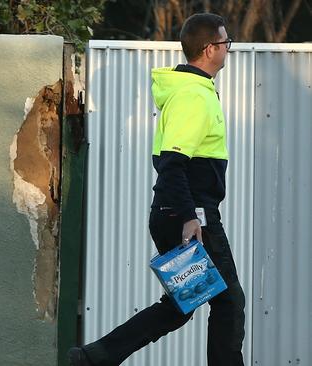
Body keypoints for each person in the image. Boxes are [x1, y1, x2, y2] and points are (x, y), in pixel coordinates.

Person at [68, 13, 245, 366]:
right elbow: (172, 163)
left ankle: (94, 358)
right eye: (226, 43)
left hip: (179, 214)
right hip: (191, 218)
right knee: (229, 302)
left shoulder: (192, 92)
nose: (228, 49)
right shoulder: (193, 97)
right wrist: (189, 218)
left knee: (182, 305)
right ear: (210, 49)